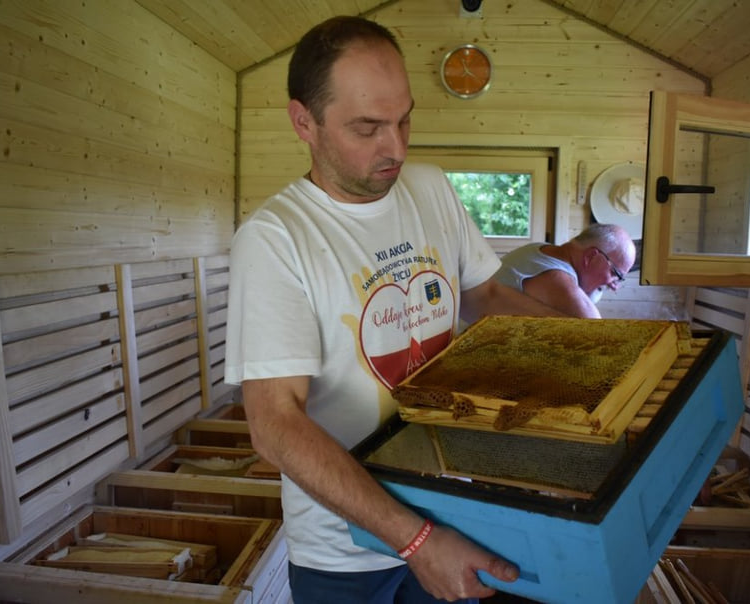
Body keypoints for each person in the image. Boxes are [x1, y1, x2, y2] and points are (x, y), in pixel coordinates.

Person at [224, 15, 565, 604]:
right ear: (303, 121)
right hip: (347, 555)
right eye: (368, 128)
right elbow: (274, 424)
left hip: (459, 510)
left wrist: (609, 345)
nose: (398, 147)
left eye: (405, 119)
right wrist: (416, 543)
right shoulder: (276, 238)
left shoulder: (431, 188)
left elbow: (484, 297)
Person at [492, 223, 636, 319]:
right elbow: (597, 334)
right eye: (614, 274)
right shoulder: (556, 279)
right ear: (591, 256)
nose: (613, 285)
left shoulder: (541, 249)